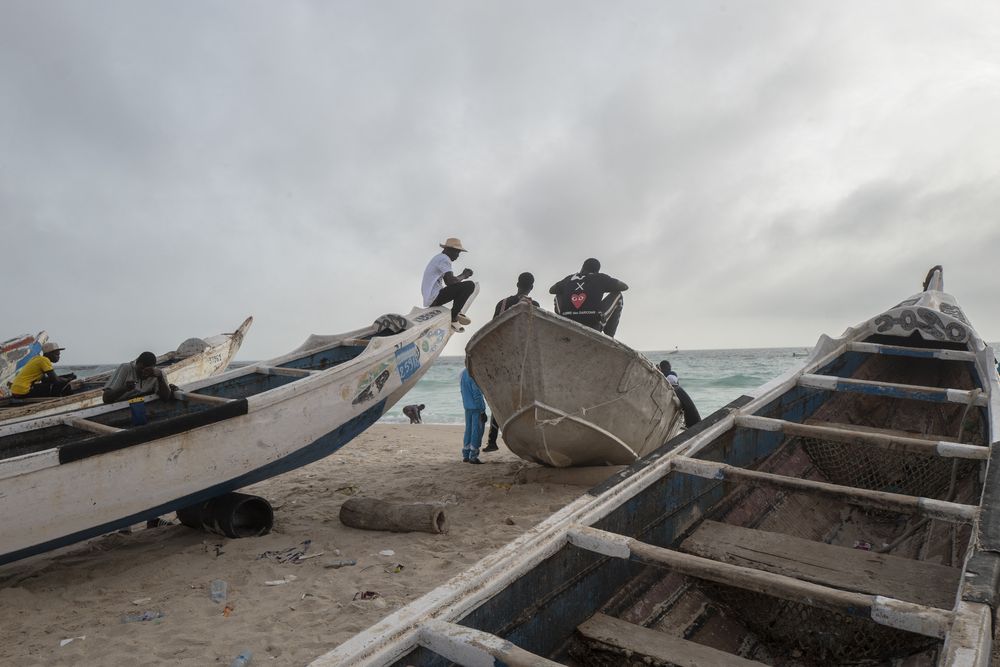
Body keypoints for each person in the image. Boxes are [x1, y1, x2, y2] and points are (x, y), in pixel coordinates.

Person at [483, 272, 540, 452]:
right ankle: (531, 441)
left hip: (502, 357)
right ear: (532, 287)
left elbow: (493, 328)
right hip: (524, 359)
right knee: (529, 400)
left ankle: (492, 441)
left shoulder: (503, 303)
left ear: (517, 284)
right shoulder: (534, 305)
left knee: (500, 400)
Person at [549, 258, 628, 336]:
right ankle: (609, 335)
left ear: (582, 268)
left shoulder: (569, 279)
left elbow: (551, 290)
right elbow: (624, 286)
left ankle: (561, 318)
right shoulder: (601, 278)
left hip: (566, 320)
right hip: (593, 325)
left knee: (558, 293)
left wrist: (573, 285)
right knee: (618, 295)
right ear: (597, 271)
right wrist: (601, 287)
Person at [422, 237, 476, 332]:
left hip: (431, 297)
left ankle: (456, 311)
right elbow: (451, 282)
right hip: (434, 297)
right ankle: (453, 316)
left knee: (462, 287)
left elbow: (449, 282)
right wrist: (464, 275)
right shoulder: (444, 259)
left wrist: (462, 276)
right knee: (469, 285)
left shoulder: (439, 258)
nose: (458, 256)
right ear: (448, 250)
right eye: (457, 252)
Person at [102, 351, 175, 404]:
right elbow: (106, 398)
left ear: (153, 368)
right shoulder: (125, 368)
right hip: (119, 406)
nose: (143, 373)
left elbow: (165, 398)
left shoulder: (158, 374)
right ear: (136, 364)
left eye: (147, 370)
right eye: (141, 369)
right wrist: (125, 388)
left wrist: (160, 378)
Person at [9, 342, 75, 398]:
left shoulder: (38, 359)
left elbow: (45, 380)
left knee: (55, 384)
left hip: (16, 391)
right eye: (57, 354)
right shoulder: (44, 360)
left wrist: (65, 376)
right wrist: (68, 379)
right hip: (23, 391)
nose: (58, 357)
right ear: (49, 353)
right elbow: (56, 380)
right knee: (64, 385)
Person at [658, 359, 701, 427]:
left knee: (688, 409)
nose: (670, 368)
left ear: (661, 368)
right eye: (669, 367)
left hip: (676, 392)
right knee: (689, 409)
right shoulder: (673, 375)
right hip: (679, 392)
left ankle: (691, 424)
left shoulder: (670, 374)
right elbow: (675, 382)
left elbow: (671, 380)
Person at [459, 367, 486, 464]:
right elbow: (477, 395)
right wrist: (482, 411)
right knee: (476, 431)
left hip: (467, 406)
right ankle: (473, 456)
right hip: (476, 408)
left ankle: (466, 455)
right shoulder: (473, 374)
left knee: (468, 430)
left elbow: (462, 391)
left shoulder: (462, 373)